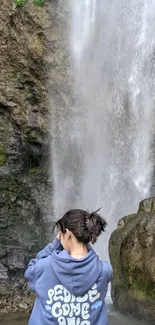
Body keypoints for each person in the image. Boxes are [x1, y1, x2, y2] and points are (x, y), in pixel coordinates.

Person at [24, 209, 112, 325]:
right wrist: (86, 245)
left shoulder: (43, 267)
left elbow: (30, 270)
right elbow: (92, 260)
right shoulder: (104, 271)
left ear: (68, 234)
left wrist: (55, 244)